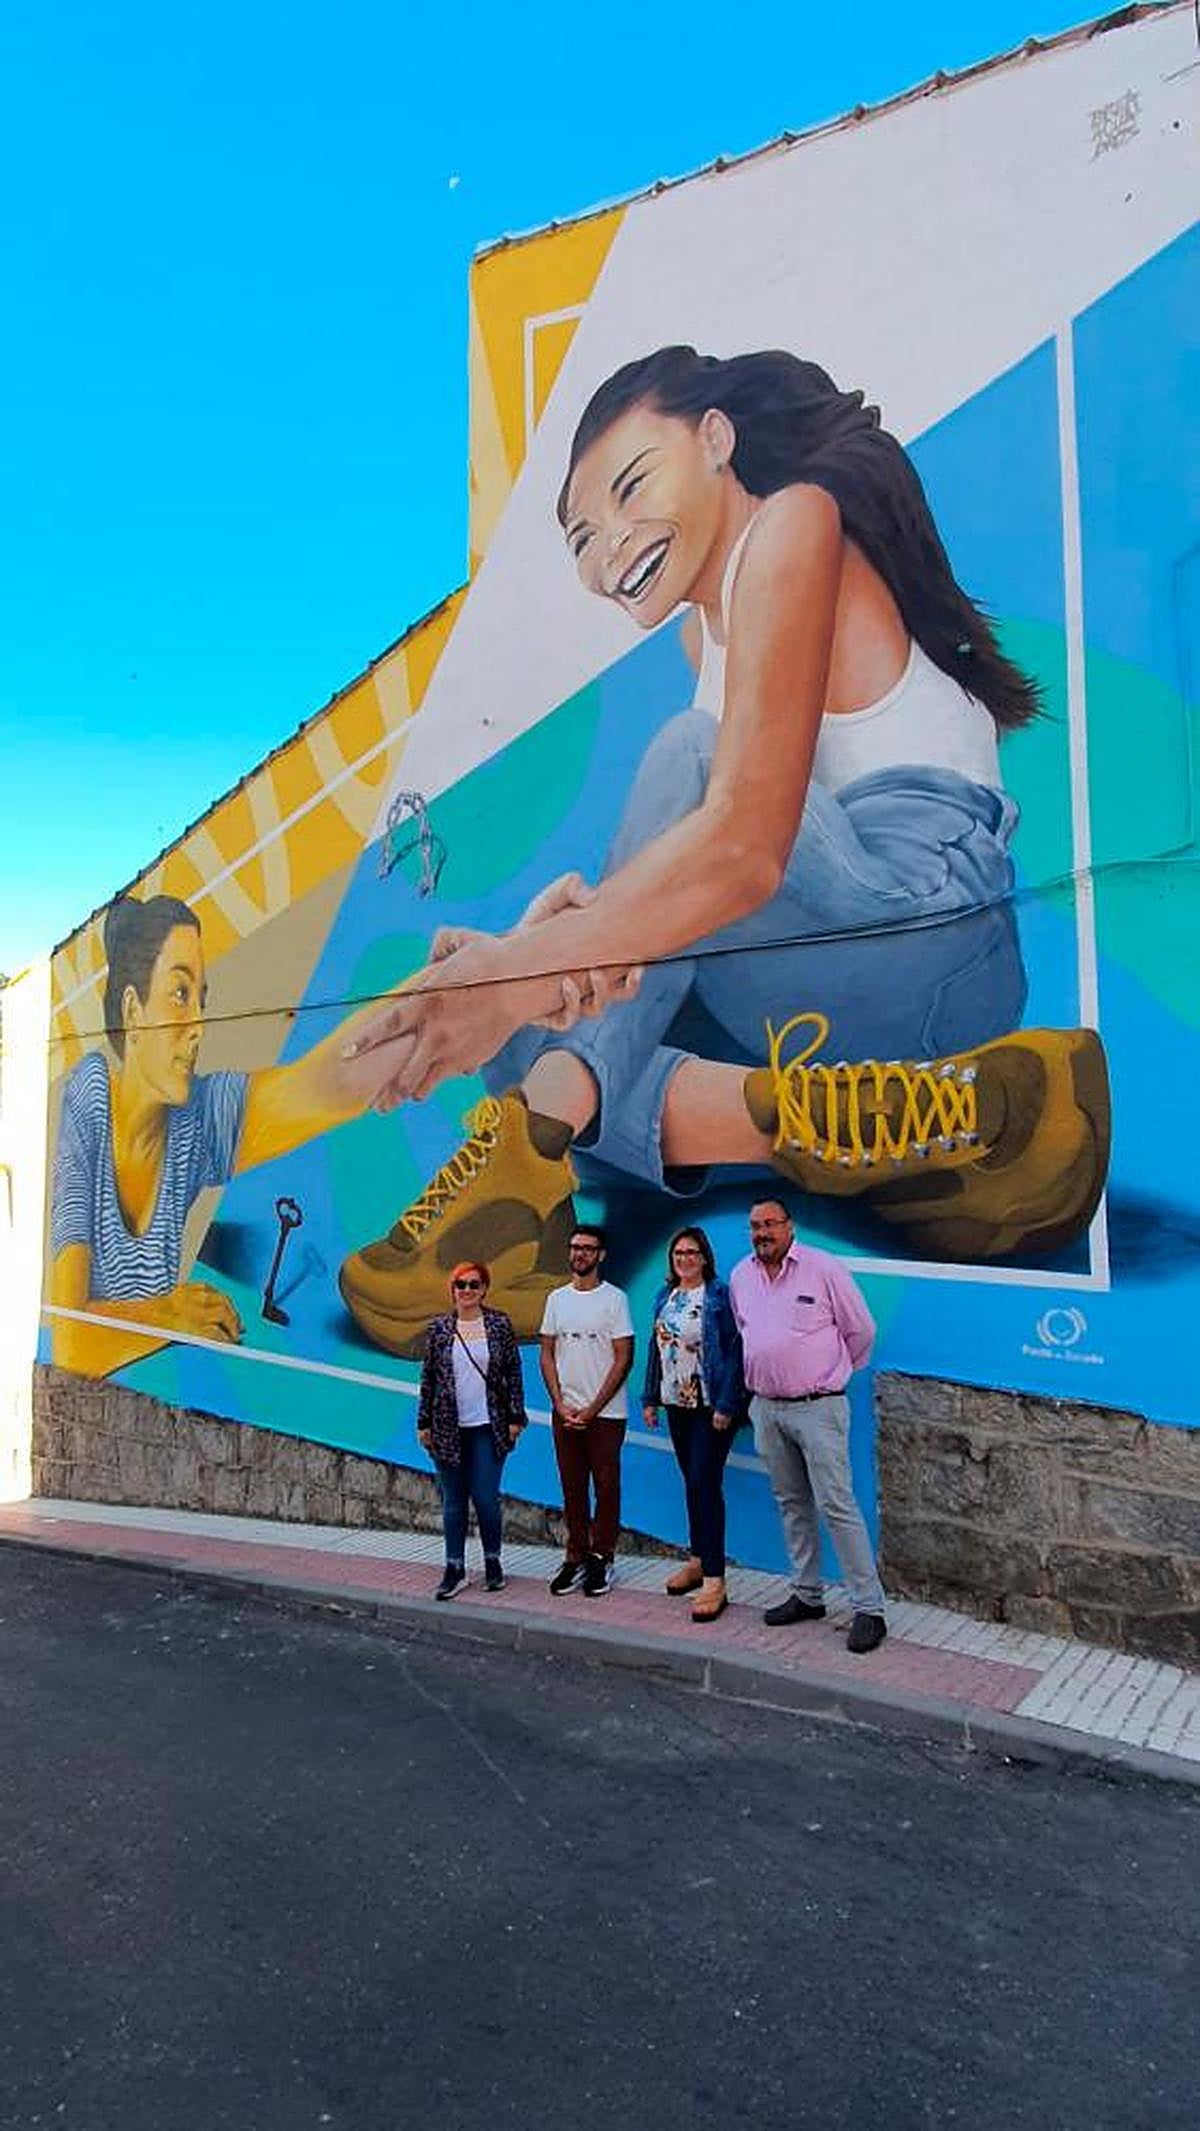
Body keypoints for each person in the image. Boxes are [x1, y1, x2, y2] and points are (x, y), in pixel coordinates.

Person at [339, 345, 1109, 1349]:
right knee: (532, 1050)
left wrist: (530, 970)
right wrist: (540, 960)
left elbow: (744, 844)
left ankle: (521, 1202)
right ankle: (897, 1126)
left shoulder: (795, 522)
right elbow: (707, 884)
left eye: (630, 488)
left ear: (715, 438)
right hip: (822, 983)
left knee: (678, 778)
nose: (610, 547)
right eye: (582, 537)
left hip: (927, 925)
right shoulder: (699, 636)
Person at [49, 891, 418, 1378]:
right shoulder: (89, 1095)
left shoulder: (194, 1120)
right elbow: (69, 1342)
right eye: (180, 994)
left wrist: (447, 992)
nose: (199, 1026)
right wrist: (167, 1315)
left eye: (201, 1001)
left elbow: (324, 1082)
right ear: (134, 1009)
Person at [729, 1196, 886, 1655]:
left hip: (818, 1407)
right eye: (755, 1226)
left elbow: (861, 1330)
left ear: (789, 1226)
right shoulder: (741, 1276)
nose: (762, 1233)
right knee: (791, 1503)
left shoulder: (823, 1268)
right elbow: (746, 1333)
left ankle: (869, 1608)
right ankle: (807, 1594)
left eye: (770, 1224)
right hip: (767, 1408)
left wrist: (831, 1373)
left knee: (836, 1504)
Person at [641, 1225, 746, 1623]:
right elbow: (657, 1347)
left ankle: (716, 1579)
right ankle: (699, 1559)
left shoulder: (718, 1296)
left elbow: (735, 1352)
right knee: (692, 1482)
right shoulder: (665, 1296)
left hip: (710, 1406)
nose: (684, 1259)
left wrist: (727, 1403)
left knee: (705, 1482)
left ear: (704, 1258)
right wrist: (650, 1398)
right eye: (678, 1253)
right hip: (676, 1404)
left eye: (691, 1252)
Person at [416, 1261, 528, 1600]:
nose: (467, 1290)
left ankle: (493, 1561)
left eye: (473, 1284)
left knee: (485, 1497)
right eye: (460, 1285)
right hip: (447, 1425)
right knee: (453, 1500)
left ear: (484, 1289)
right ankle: (454, 1567)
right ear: (452, 1290)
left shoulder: (498, 1325)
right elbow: (429, 1377)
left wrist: (515, 1417)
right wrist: (423, 1422)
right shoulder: (439, 1328)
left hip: (487, 1425)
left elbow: (513, 1372)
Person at [539, 1224, 634, 1598]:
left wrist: (593, 1409)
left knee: (607, 1487)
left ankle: (602, 1557)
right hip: (565, 1413)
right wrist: (559, 1403)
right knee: (572, 1487)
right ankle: (575, 1556)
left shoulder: (615, 1300)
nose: (580, 1253)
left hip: (606, 1415)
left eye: (588, 1248)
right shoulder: (556, 1299)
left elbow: (624, 1358)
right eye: (575, 1247)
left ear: (601, 1255)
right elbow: (547, 1353)